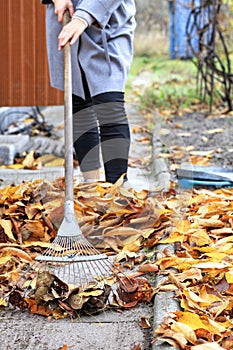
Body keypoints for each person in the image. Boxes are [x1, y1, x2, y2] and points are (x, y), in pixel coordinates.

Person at [42, 0, 136, 183]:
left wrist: (83, 16)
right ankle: (90, 186)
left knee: (109, 105)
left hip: (107, 22)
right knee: (79, 105)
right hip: (66, 21)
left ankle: (117, 192)